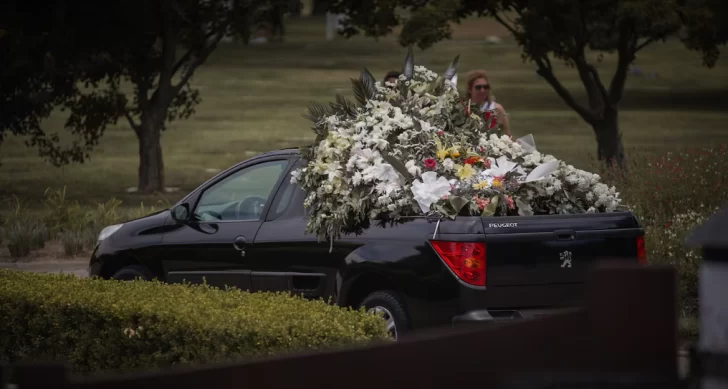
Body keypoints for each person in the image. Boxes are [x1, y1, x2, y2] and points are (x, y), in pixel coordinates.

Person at [465, 69, 511, 138]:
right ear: (470, 89)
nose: (482, 90)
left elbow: (508, 136)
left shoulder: (497, 109)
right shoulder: (463, 109)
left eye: (486, 87)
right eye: (478, 87)